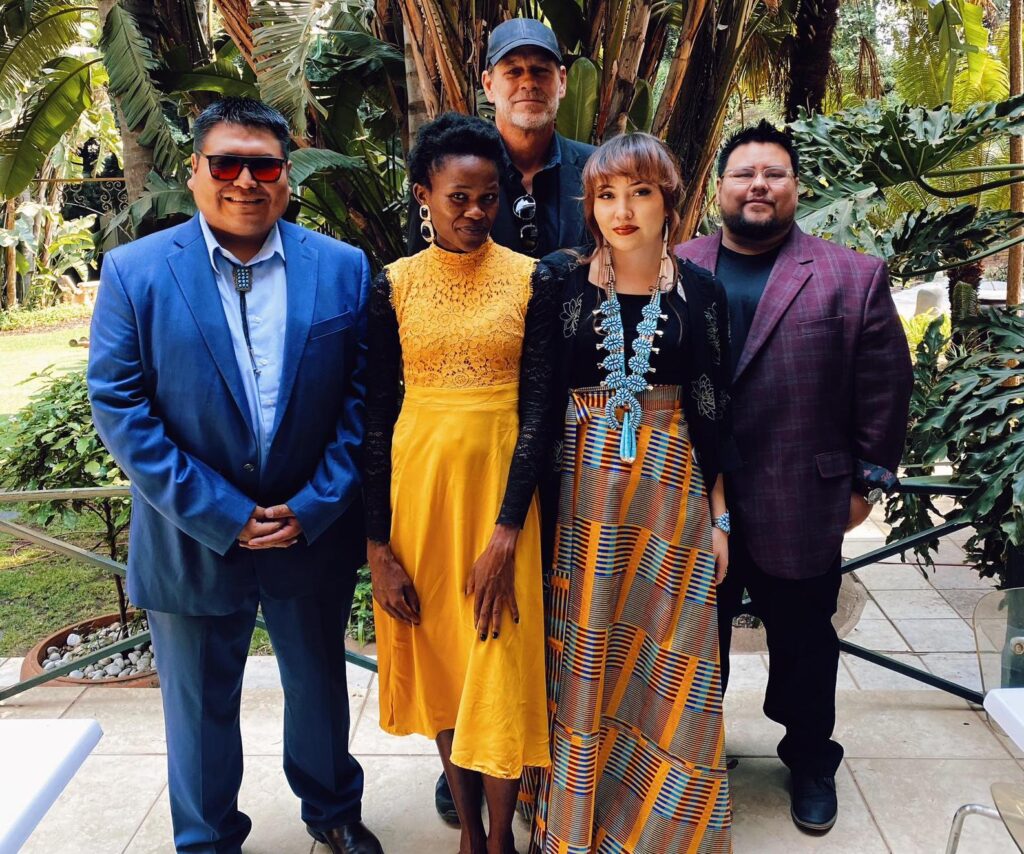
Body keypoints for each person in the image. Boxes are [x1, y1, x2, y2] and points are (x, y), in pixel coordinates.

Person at [87, 97, 381, 854]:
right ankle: (208, 838)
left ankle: (333, 814)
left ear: (288, 177)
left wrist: (316, 505)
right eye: (226, 163)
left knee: (318, 691)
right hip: (190, 538)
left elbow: (365, 400)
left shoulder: (343, 269)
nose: (245, 180)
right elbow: (120, 407)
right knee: (197, 708)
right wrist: (219, 511)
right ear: (195, 172)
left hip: (307, 532)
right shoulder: (134, 272)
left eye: (264, 165)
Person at [675, 120, 913, 833]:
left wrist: (865, 482)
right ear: (719, 188)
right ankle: (691, 754)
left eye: (773, 173)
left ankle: (810, 758)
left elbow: (885, 384)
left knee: (807, 644)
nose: (758, 185)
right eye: (743, 173)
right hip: (694, 501)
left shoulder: (851, 274)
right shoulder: (674, 265)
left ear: (795, 187)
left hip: (803, 495)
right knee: (693, 640)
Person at [527, 133, 735, 853]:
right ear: (589, 205)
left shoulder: (700, 291)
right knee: (587, 654)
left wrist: (721, 517)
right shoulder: (559, 283)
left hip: (671, 491)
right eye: (607, 194)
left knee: (671, 655)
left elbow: (711, 402)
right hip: (582, 498)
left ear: (668, 201)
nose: (623, 209)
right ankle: (581, 827)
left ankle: (669, 830)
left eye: (641, 192)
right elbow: (539, 404)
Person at [363, 112, 558, 854]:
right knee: (445, 659)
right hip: (420, 499)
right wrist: (378, 545)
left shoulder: (531, 279)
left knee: (499, 661)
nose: (476, 212)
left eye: (487, 198)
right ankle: (470, 836)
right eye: (458, 198)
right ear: (425, 195)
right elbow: (376, 418)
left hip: (501, 500)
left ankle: (501, 837)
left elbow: (539, 411)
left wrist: (508, 529)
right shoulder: (392, 287)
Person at [406, 18, 594, 260]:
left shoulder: (597, 169)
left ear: (562, 82)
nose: (528, 83)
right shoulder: (443, 173)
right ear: (489, 85)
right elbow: (423, 269)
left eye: (540, 71)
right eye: (514, 72)